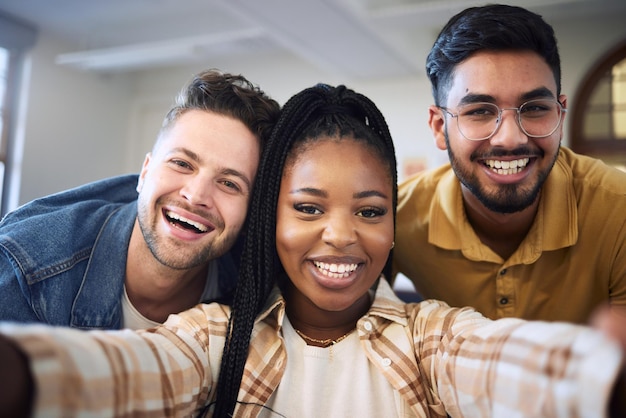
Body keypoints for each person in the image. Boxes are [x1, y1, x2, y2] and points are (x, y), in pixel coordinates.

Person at [0, 83, 625, 418]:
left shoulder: (429, 336)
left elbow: (496, 362)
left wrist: (596, 375)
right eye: (307, 208)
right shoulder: (221, 334)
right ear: (271, 221)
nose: (341, 235)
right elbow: (137, 372)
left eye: (371, 212)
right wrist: (26, 375)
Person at [393, 4, 626, 323]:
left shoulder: (619, 211)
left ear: (559, 115)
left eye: (534, 108)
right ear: (439, 128)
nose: (510, 139)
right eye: (479, 111)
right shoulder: (396, 217)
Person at [0, 69, 280, 329]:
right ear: (145, 172)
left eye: (229, 183)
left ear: (250, 211)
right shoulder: (28, 269)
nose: (195, 196)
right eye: (182, 164)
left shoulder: (260, 287)